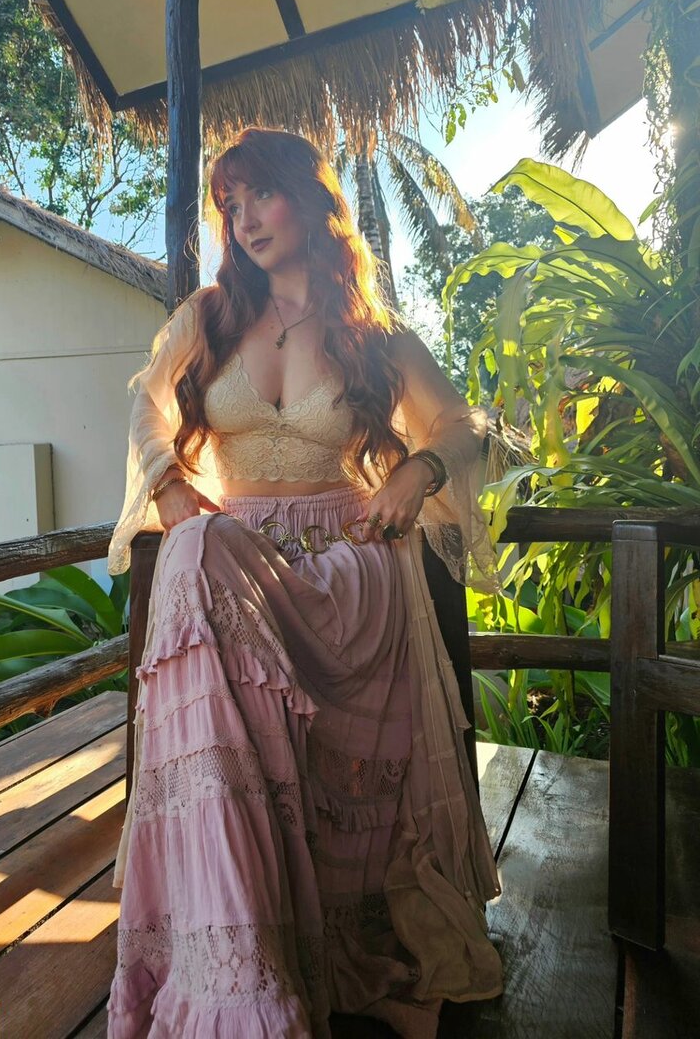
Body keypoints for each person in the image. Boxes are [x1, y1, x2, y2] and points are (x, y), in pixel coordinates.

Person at [105, 127, 502, 1039]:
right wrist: (168, 483)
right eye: (229, 204)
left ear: (313, 198)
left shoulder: (372, 335)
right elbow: (147, 408)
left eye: (260, 194)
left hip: (346, 572)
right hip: (232, 568)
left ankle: (316, 944)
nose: (242, 219)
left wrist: (418, 471)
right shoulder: (208, 318)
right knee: (194, 555)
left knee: (203, 561)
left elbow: (462, 423)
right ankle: (239, 961)